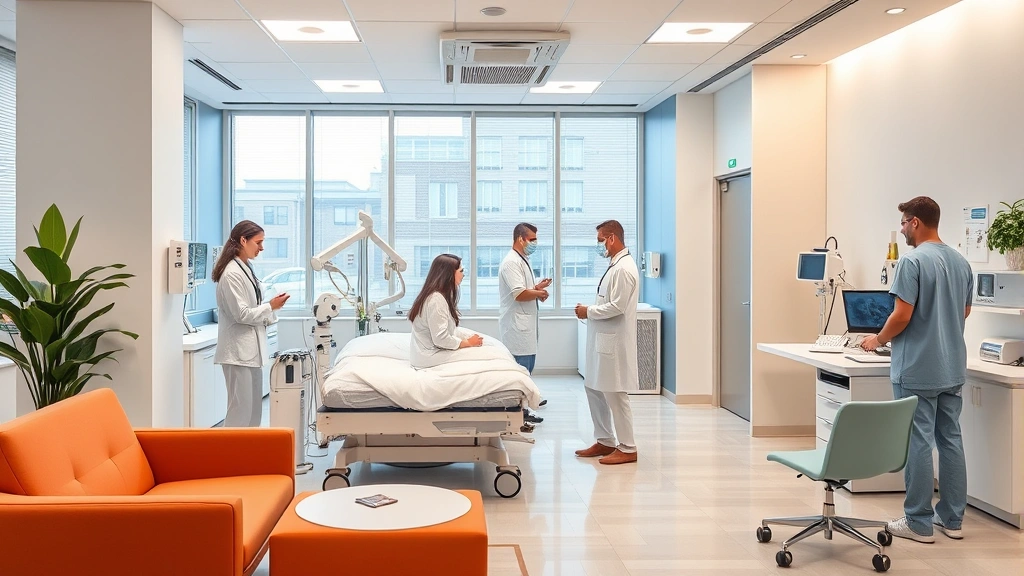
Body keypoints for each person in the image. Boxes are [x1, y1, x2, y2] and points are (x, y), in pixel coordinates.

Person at [860, 196, 973, 543]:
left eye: (905, 222)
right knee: (950, 439)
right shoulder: (961, 262)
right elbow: (964, 312)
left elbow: (902, 315)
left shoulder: (912, 262)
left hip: (918, 368)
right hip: (951, 366)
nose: (903, 229)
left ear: (917, 223)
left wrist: (876, 340)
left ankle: (919, 523)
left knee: (919, 441)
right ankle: (952, 520)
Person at [574, 220, 639, 465]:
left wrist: (588, 311)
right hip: (604, 340)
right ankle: (605, 440)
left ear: (611, 238)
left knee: (614, 393)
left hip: (614, 341)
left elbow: (618, 307)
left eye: (600, 240)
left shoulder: (623, 269)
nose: (599, 245)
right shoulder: (616, 265)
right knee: (593, 386)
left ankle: (628, 447)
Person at [212, 220, 290, 427]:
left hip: (250, 352)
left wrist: (271, 307)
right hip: (237, 353)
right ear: (243, 240)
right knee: (240, 410)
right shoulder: (231, 274)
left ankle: (249, 454)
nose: (262, 247)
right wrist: (270, 307)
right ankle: (230, 458)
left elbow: (252, 304)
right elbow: (242, 314)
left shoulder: (245, 267)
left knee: (254, 409)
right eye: (258, 242)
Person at [498, 222, 551, 424]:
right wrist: (539, 293)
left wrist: (537, 288)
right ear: (520, 239)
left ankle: (523, 405)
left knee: (526, 368)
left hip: (525, 324)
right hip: (517, 326)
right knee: (520, 369)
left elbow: (523, 289)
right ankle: (520, 410)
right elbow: (519, 294)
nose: (535, 244)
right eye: (532, 240)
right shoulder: (511, 262)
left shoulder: (522, 259)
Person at [408, 253, 484, 369]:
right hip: (427, 357)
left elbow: (449, 330)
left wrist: (468, 337)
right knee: (481, 357)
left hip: (425, 354)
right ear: (449, 274)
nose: (463, 275)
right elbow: (440, 339)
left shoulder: (437, 296)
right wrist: (467, 343)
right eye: (461, 271)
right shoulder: (436, 300)